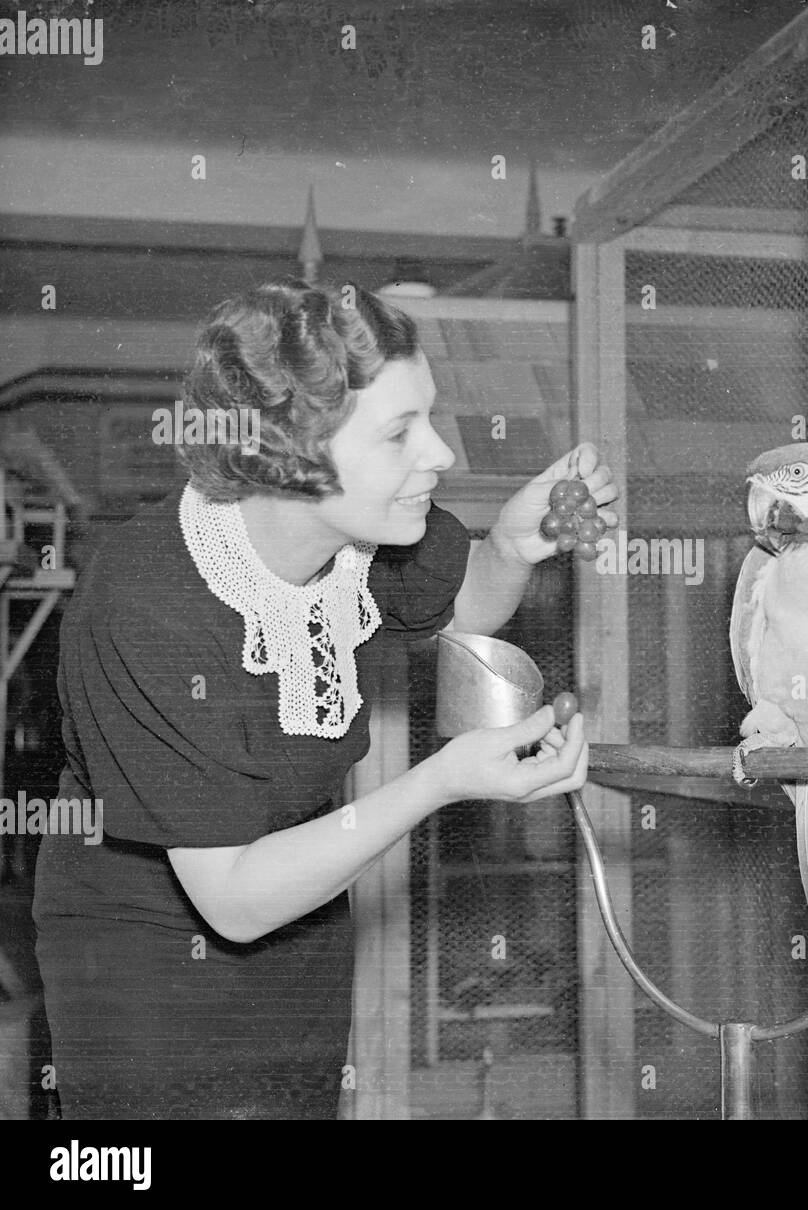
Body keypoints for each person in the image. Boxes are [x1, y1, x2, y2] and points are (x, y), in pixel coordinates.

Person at [32, 280, 617, 1119]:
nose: (443, 454)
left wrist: (514, 548)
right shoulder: (147, 602)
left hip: (300, 914)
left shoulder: (357, 540)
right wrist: (439, 780)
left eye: (432, 416)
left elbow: (456, 609)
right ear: (292, 456)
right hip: (148, 946)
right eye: (398, 432)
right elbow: (231, 899)